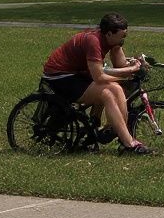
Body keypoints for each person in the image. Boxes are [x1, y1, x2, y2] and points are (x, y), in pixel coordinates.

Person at [41, 12, 151, 154]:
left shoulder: (111, 41)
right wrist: (128, 73)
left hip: (78, 73)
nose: (124, 38)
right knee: (106, 94)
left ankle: (116, 132)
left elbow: (119, 64)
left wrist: (134, 63)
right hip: (60, 77)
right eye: (122, 35)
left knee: (117, 89)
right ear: (109, 34)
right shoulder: (93, 41)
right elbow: (99, 77)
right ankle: (129, 142)